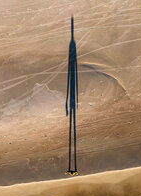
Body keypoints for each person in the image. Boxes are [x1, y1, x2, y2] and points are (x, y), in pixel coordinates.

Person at [66, 16, 78, 176]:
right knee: (72, 127)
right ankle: (72, 164)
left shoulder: (72, 47)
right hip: (73, 100)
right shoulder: (72, 47)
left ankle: (72, 164)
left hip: (72, 100)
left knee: (72, 127)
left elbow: (72, 79)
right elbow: (73, 79)